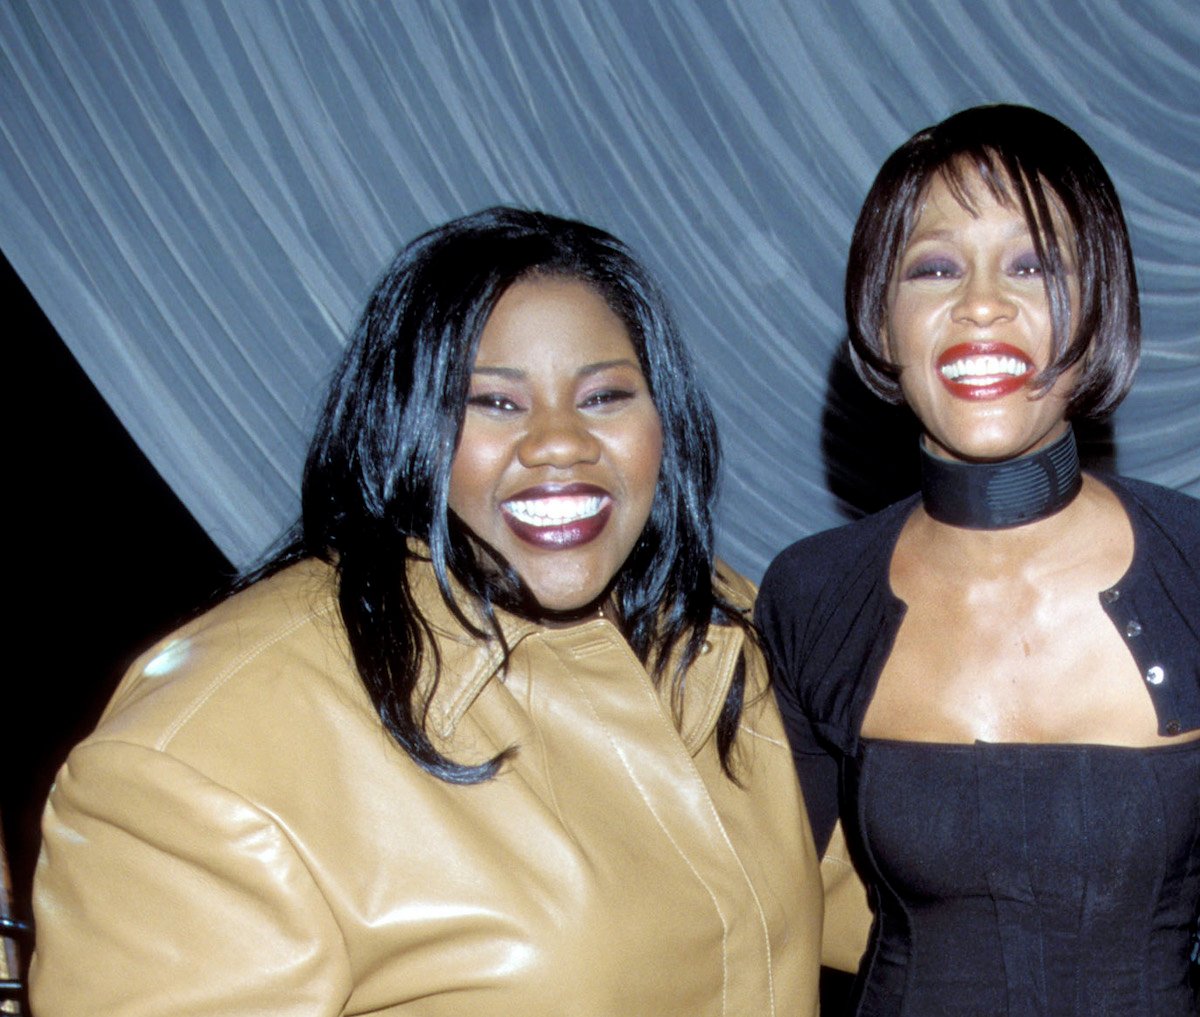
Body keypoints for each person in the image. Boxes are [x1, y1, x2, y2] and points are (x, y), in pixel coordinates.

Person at [31, 208, 835, 1014]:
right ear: (405, 421)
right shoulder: (200, 755)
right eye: (495, 403)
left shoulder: (711, 627)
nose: (560, 441)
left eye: (603, 395)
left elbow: (902, 889)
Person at [757, 105, 1200, 1016]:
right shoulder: (812, 595)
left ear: (1103, 304)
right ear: (883, 317)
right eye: (936, 267)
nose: (982, 303)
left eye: (1033, 263)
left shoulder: (1196, 568)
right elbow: (755, 924)